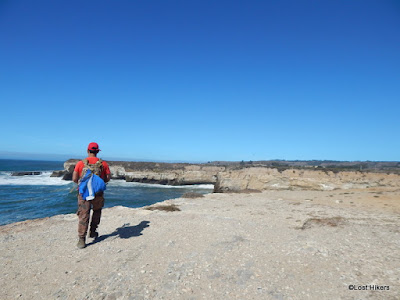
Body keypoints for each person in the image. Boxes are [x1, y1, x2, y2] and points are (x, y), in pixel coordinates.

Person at [72, 142, 111, 249]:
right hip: (98, 193)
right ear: (97, 151)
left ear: (87, 151)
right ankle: (93, 232)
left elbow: (74, 179)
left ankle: (81, 240)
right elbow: (107, 178)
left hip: (84, 193)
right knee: (97, 211)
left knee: (84, 214)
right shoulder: (103, 164)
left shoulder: (80, 163)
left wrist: (83, 186)